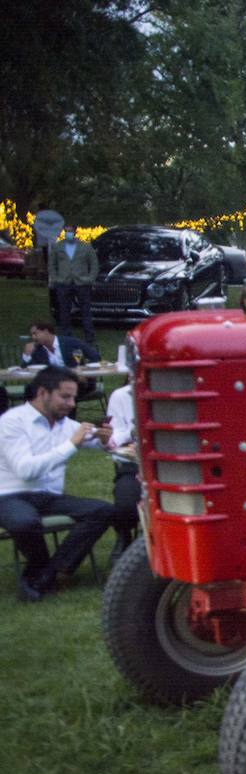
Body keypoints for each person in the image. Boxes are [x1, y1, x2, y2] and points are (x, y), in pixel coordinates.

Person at [0, 366, 115, 601]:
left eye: (73, 397)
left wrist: (104, 439)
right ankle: (42, 571)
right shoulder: (12, 422)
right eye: (65, 397)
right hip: (9, 494)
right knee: (23, 522)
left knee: (102, 511)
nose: (72, 404)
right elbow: (26, 470)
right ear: (43, 393)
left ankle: (50, 573)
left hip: (48, 496)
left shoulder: (64, 424)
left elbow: (99, 439)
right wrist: (71, 444)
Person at [49, 222, 99, 344]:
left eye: (70, 231)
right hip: (63, 282)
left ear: (75, 232)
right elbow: (51, 264)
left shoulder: (86, 247)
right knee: (64, 310)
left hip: (82, 283)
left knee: (85, 310)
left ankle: (89, 336)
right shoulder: (57, 247)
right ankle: (65, 335)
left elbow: (94, 264)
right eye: (66, 231)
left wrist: (90, 279)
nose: (68, 233)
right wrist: (56, 278)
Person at [104, 382, 139, 560]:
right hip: (134, 464)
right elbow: (113, 439)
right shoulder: (121, 396)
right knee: (125, 501)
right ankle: (124, 535)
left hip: (177, 465)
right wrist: (131, 431)